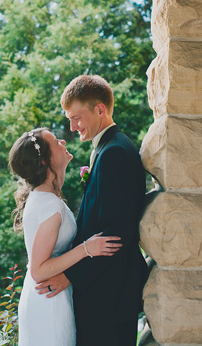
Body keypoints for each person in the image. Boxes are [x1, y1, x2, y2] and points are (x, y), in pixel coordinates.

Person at [35, 75, 147, 346]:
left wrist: (70, 276)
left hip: (109, 296)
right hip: (105, 292)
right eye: (69, 119)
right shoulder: (107, 149)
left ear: (100, 109)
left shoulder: (115, 153)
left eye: (77, 118)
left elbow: (115, 235)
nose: (72, 127)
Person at [10, 128, 122, 346]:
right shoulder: (49, 204)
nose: (63, 140)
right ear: (45, 161)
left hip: (52, 294)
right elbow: (38, 270)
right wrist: (87, 249)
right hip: (48, 302)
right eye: (55, 141)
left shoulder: (46, 197)